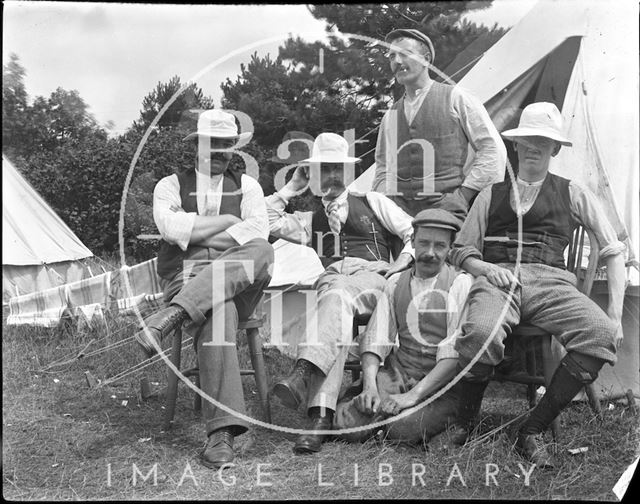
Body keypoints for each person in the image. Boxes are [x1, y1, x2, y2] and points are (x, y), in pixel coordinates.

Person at [448, 102, 626, 467]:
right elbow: (460, 250)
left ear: (555, 149)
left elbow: (613, 250)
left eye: (542, 141)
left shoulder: (573, 191)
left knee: (601, 332)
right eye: (527, 138)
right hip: (498, 279)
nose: (533, 146)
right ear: (515, 144)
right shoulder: (489, 194)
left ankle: (532, 429)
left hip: (552, 283)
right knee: (481, 331)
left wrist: (616, 314)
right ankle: (465, 422)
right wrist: (483, 267)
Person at [134, 109, 274, 469]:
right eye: (214, 144)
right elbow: (171, 229)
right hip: (189, 277)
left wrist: (200, 232)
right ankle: (221, 434)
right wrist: (229, 222)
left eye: (227, 145)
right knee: (219, 307)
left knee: (263, 250)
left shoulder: (250, 186)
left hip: (237, 281)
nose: (221, 152)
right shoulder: (169, 185)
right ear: (197, 145)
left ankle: (175, 314)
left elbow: (256, 233)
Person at [265, 132, 415, 454]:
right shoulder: (309, 220)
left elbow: (413, 231)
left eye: (338, 169)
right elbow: (265, 220)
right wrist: (291, 188)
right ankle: (321, 418)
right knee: (334, 304)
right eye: (324, 169)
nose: (332, 176)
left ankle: (306, 383)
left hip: (372, 281)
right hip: (332, 283)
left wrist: (400, 264)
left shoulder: (373, 201)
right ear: (314, 174)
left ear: (348, 172)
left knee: (333, 301)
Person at [333, 208, 472, 447]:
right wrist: (370, 387)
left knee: (401, 430)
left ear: (450, 249)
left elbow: (454, 353)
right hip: (399, 373)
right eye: (424, 243)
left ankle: (441, 422)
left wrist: (412, 396)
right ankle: (376, 412)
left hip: (441, 383)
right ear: (412, 243)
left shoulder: (460, 283)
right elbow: (377, 338)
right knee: (347, 426)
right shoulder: (396, 282)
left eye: (439, 246)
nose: (430, 253)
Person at [373, 28, 506, 219]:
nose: (397, 61)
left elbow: (493, 150)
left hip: (446, 217)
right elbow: (382, 167)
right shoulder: (390, 116)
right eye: (392, 56)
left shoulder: (456, 98)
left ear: (426, 59)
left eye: (405, 54)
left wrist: (463, 196)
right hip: (399, 219)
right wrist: (387, 203)